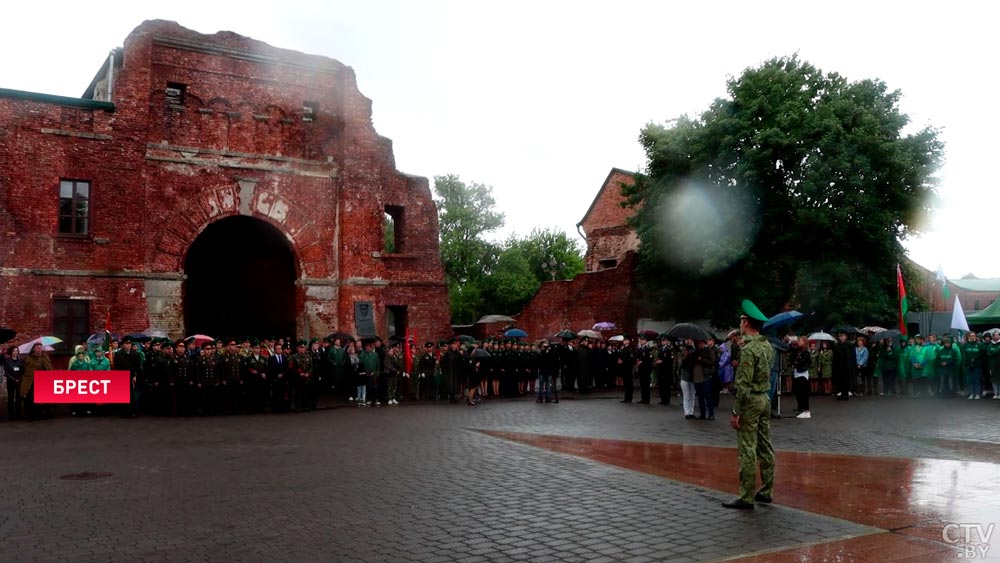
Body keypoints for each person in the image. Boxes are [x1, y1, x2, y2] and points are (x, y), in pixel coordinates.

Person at [723, 299, 775, 510]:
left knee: (747, 448)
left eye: (742, 320)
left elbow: (743, 385)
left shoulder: (748, 350)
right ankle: (766, 491)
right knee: (765, 445)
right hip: (764, 398)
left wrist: (736, 411)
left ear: (747, 323)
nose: (740, 323)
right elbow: (758, 362)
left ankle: (746, 496)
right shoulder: (766, 345)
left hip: (751, 400)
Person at [22, 343, 54, 420]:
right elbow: (26, 369)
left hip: (43, 380)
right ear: (34, 349)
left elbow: (49, 367)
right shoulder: (29, 358)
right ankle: (32, 415)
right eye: (37, 348)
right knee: (32, 398)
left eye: (40, 347)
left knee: (44, 398)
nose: (39, 349)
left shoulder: (45, 357)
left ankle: (44, 413)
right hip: (32, 380)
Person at [792, 336, 811, 418]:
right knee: (798, 393)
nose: (798, 342)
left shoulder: (806, 353)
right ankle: (801, 408)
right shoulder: (799, 351)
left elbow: (805, 363)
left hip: (802, 374)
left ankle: (806, 410)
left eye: (800, 341)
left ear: (804, 342)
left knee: (803, 393)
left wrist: (796, 364)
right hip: (797, 374)